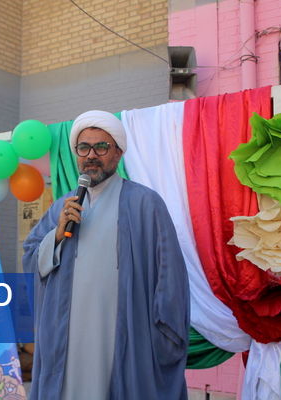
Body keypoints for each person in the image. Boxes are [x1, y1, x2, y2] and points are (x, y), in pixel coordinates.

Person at [23, 110, 190, 400]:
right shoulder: (63, 205)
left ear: (118, 153)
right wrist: (56, 234)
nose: (91, 155)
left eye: (101, 147)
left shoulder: (145, 203)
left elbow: (170, 276)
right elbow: (31, 258)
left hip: (125, 332)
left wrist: (163, 335)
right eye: (83, 147)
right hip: (69, 334)